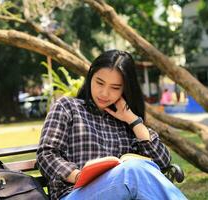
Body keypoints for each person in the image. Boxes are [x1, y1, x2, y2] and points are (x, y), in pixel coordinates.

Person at [36, 49, 187, 200]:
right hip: (74, 194)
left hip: (120, 192)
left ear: (125, 89)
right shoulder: (67, 107)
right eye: (99, 82)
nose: (104, 93)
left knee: (135, 170)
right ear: (90, 78)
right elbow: (46, 155)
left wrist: (133, 120)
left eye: (115, 88)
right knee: (131, 172)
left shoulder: (126, 121)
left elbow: (162, 163)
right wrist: (79, 176)